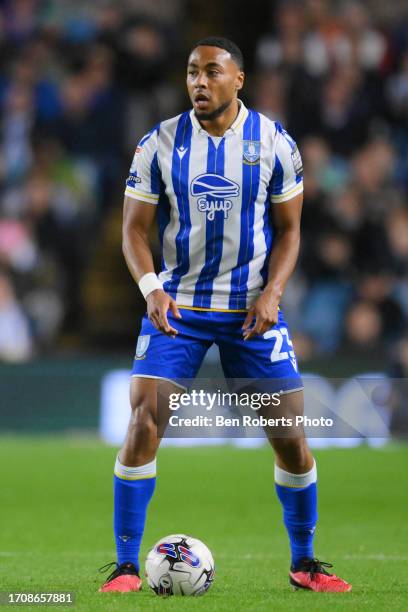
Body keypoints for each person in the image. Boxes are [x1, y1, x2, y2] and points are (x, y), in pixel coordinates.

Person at [99, 37, 351, 594]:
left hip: (250, 315)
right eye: (192, 72)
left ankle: (305, 562)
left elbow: (290, 232)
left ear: (239, 80)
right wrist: (150, 289)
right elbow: (133, 231)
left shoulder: (274, 142)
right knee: (144, 420)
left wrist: (273, 293)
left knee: (289, 434)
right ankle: (124, 567)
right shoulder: (160, 143)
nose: (199, 82)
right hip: (179, 309)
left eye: (212, 72)